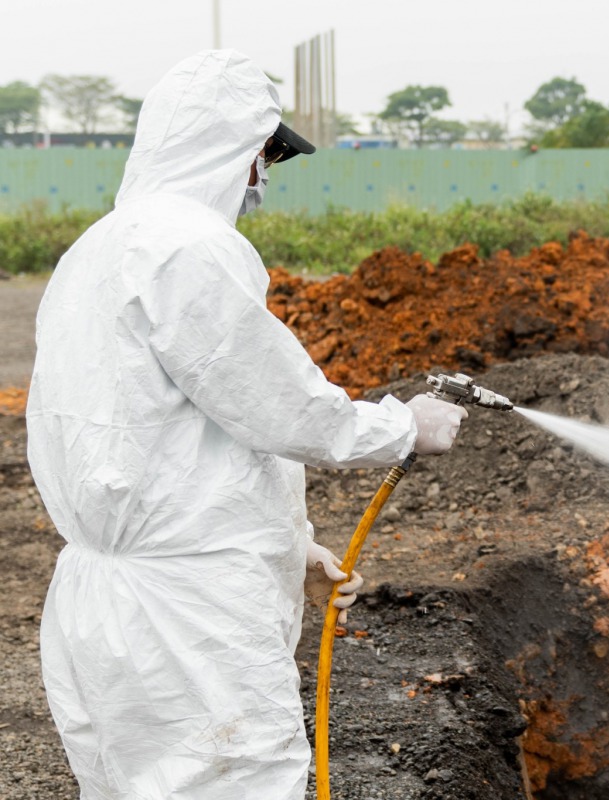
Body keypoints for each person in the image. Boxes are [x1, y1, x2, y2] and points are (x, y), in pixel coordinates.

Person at [26, 50, 469, 799]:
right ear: (235, 148)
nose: (262, 179)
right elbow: (274, 403)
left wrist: (288, 546)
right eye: (264, 155)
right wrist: (401, 429)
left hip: (105, 601)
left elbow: (154, 437)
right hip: (190, 619)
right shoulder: (190, 247)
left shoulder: (96, 249)